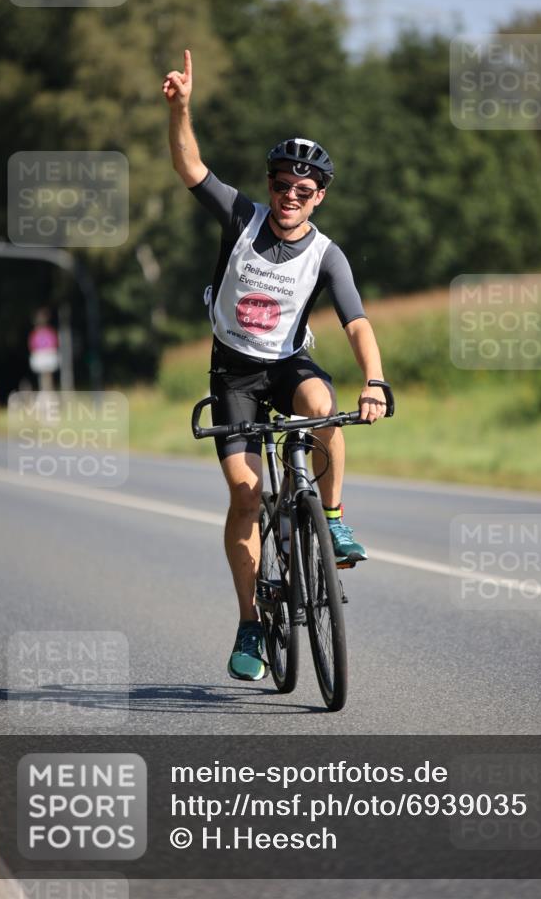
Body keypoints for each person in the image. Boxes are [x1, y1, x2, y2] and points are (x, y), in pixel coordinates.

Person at [163, 50, 388, 681]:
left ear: (319, 198)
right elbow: (189, 165)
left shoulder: (326, 255)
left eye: (303, 190)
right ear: (270, 186)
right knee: (246, 491)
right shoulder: (241, 217)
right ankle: (249, 623)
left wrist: (374, 380)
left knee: (324, 410)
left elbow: (357, 322)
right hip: (233, 373)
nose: (289, 196)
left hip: (289, 364)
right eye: (281, 184)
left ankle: (332, 519)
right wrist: (181, 109)